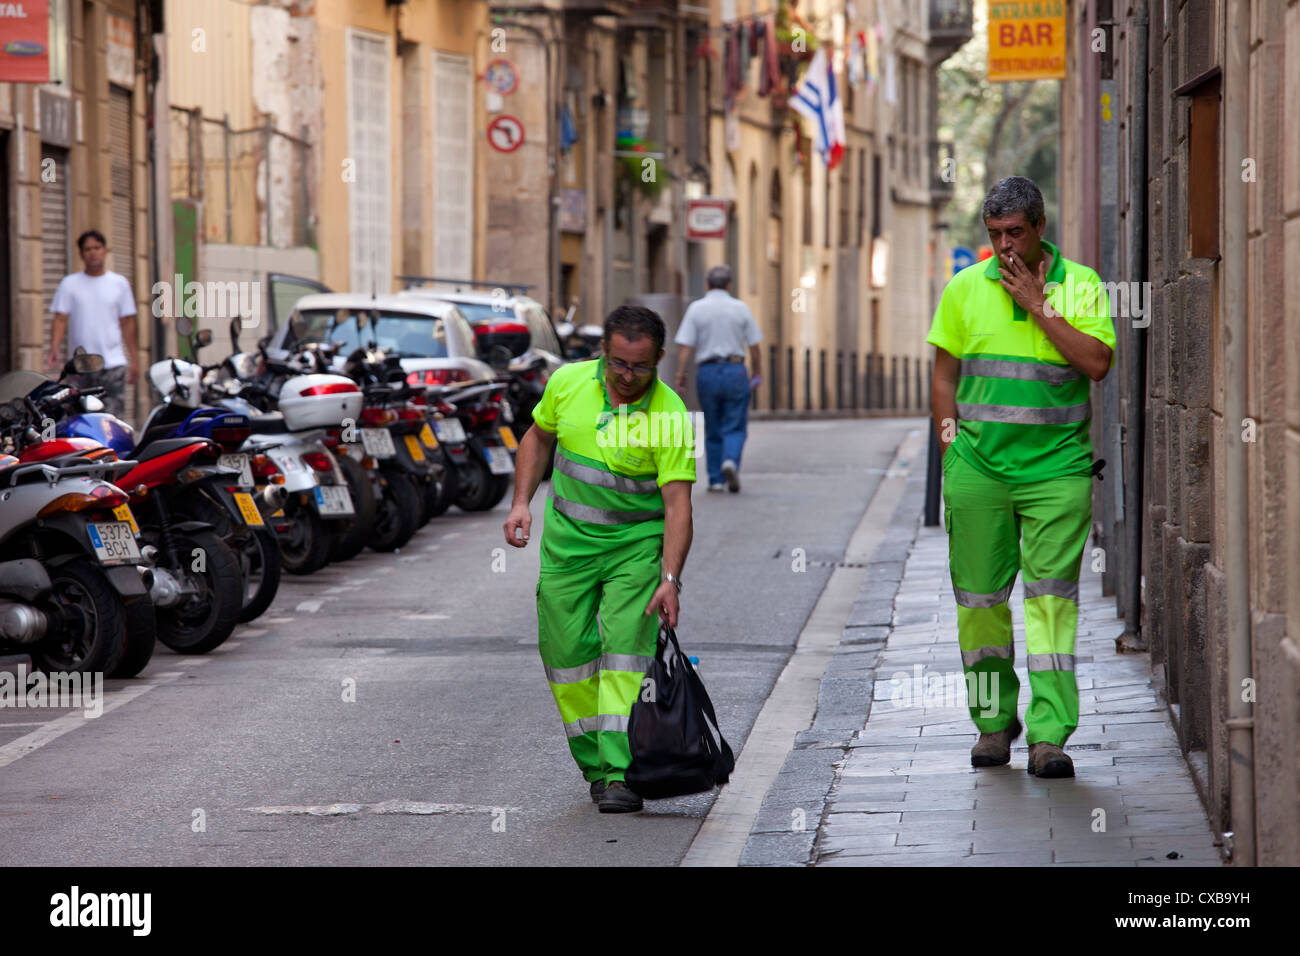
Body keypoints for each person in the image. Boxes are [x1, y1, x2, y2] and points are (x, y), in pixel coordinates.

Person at [926, 176, 1115, 779]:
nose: (1005, 246)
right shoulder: (963, 289)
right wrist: (951, 447)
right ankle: (991, 724)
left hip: (1056, 470)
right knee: (979, 605)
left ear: (1039, 228)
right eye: (995, 235)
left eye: (1015, 233)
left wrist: (1041, 306)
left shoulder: (1080, 285)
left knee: (1051, 604)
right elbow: (943, 375)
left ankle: (1050, 736)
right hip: (978, 470)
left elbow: (1096, 363)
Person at [504, 305, 697, 813]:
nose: (627, 377)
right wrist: (521, 501)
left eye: (639, 367)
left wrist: (670, 577)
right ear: (602, 354)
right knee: (566, 656)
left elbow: (678, 504)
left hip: (634, 548)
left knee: (626, 655)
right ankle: (594, 764)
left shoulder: (670, 414)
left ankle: (619, 772)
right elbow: (538, 437)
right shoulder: (567, 384)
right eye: (617, 364)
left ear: (658, 359)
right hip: (567, 549)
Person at [674, 265, 762, 493]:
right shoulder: (740, 308)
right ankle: (730, 460)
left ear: (707, 284)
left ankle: (714, 479)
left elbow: (685, 346)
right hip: (735, 370)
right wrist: (758, 371)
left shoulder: (696, 309)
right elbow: (754, 346)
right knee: (735, 424)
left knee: (712, 426)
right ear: (729, 285)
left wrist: (680, 375)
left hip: (708, 372)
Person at [47, 230, 137, 419]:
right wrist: (54, 348)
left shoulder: (119, 284)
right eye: (87, 249)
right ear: (81, 254)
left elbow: (127, 323)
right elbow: (60, 318)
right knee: (78, 418)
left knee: (112, 419)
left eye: (97, 248)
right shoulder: (69, 284)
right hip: (81, 366)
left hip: (112, 364)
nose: (93, 253)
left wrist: (135, 359)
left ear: (105, 251)